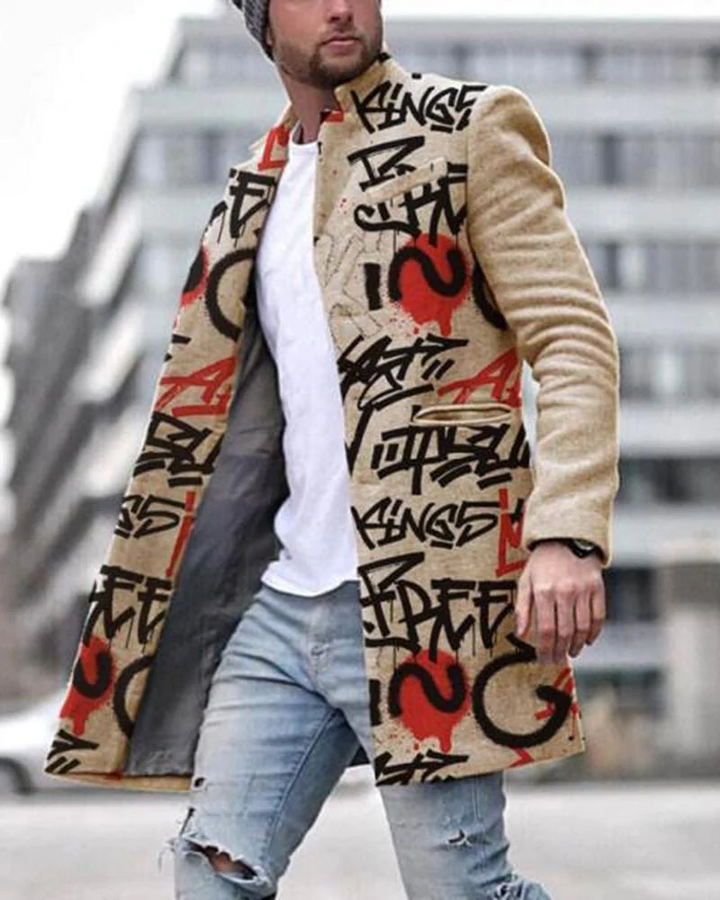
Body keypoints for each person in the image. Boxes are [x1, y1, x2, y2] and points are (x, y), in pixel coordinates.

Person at [45, 0, 620, 897]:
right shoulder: (252, 187)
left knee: (460, 889)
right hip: (282, 607)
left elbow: (574, 337)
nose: (343, 6)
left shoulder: (468, 128)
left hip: (428, 601)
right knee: (211, 874)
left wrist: (567, 532)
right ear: (262, 22)